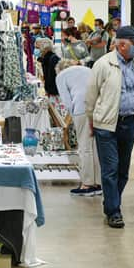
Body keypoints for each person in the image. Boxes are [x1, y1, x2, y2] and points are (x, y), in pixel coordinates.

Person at [86, 26, 134, 229]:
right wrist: (91, 121)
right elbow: (91, 96)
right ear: (122, 44)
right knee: (110, 169)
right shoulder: (103, 64)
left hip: (128, 122)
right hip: (106, 124)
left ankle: (111, 202)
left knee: (123, 171)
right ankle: (114, 211)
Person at [56, 59, 101, 196]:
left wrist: (72, 117)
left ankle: (87, 184)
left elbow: (67, 100)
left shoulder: (61, 76)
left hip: (81, 109)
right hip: (98, 107)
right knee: (95, 146)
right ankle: (98, 182)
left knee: (84, 147)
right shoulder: (87, 70)